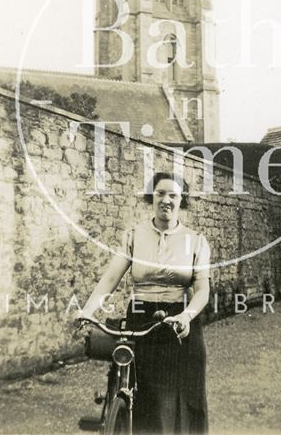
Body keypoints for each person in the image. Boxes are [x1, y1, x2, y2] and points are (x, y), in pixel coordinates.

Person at [78, 171, 211, 434]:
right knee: (144, 398)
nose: (166, 200)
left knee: (180, 401)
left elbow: (202, 289)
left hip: (179, 324)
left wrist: (186, 316)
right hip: (142, 318)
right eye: (160, 193)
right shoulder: (134, 235)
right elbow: (110, 279)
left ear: (181, 200)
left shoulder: (195, 240)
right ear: (152, 197)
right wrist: (87, 311)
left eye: (173, 195)